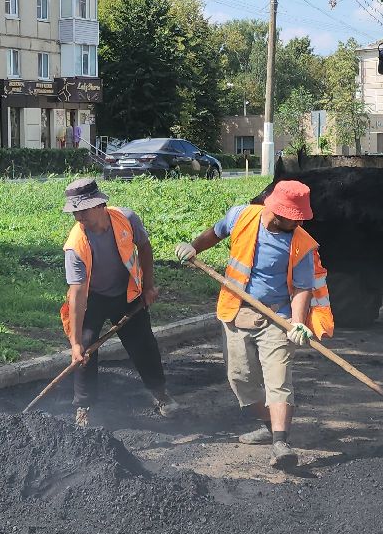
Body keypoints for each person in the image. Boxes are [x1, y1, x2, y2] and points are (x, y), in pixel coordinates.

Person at [174, 179, 334, 471]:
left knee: (278, 380)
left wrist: (297, 324)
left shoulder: (301, 243)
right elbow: (215, 232)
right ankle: (268, 424)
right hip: (237, 312)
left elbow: (303, 288)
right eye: (294, 217)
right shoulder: (242, 216)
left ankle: (281, 443)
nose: (298, 222)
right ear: (276, 210)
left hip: (278, 318)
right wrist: (193, 247)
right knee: (240, 379)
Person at [60, 178, 180, 427]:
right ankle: (84, 406)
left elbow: (144, 248)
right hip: (92, 298)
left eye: (82, 211)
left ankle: (161, 394)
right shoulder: (75, 246)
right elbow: (78, 293)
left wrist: (148, 287)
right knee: (85, 351)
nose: (78, 217)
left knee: (144, 345)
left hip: (127, 293)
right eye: (75, 212)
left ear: (99, 205)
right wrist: (75, 342)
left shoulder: (126, 218)